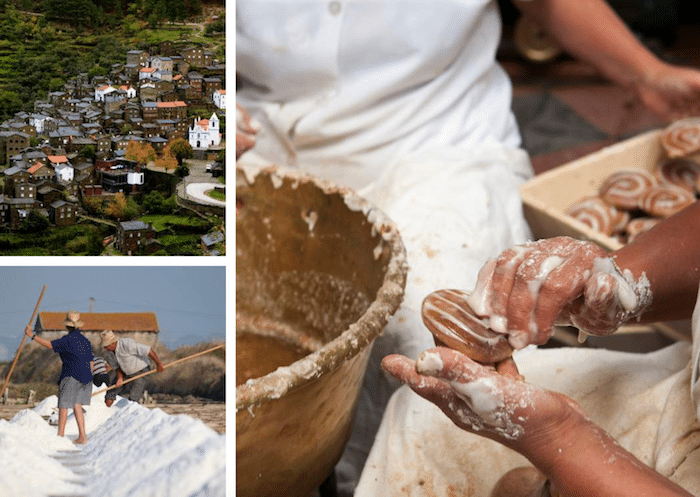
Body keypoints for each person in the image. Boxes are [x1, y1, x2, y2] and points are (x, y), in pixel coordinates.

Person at [236, 1, 700, 492]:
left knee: (422, 338)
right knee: (417, 411)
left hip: (434, 137)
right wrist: (617, 278)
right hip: (266, 133)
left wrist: (560, 437)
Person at [372, 200, 700, 496]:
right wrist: (620, 282)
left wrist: (562, 439)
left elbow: (561, 438)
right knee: (418, 419)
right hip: (687, 397)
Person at [25, 310, 93, 444]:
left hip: (71, 374)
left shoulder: (67, 340)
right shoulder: (85, 341)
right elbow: (91, 361)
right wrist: (90, 376)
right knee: (77, 405)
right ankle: (82, 437)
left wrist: (32, 336)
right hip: (86, 376)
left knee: (63, 405)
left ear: (67, 326)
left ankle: (60, 436)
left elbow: (50, 345)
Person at [99, 330, 164, 407]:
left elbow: (148, 350)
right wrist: (120, 378)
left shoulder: (127, 344)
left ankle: (132, 413)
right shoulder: (109, 353)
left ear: (113, 343)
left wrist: (158, 364)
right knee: (110, 396)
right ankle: (109, 414)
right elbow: (117, 367)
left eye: (106, 346)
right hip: (125, 372)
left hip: (141, 371)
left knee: (134, 398)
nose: (105, 348)